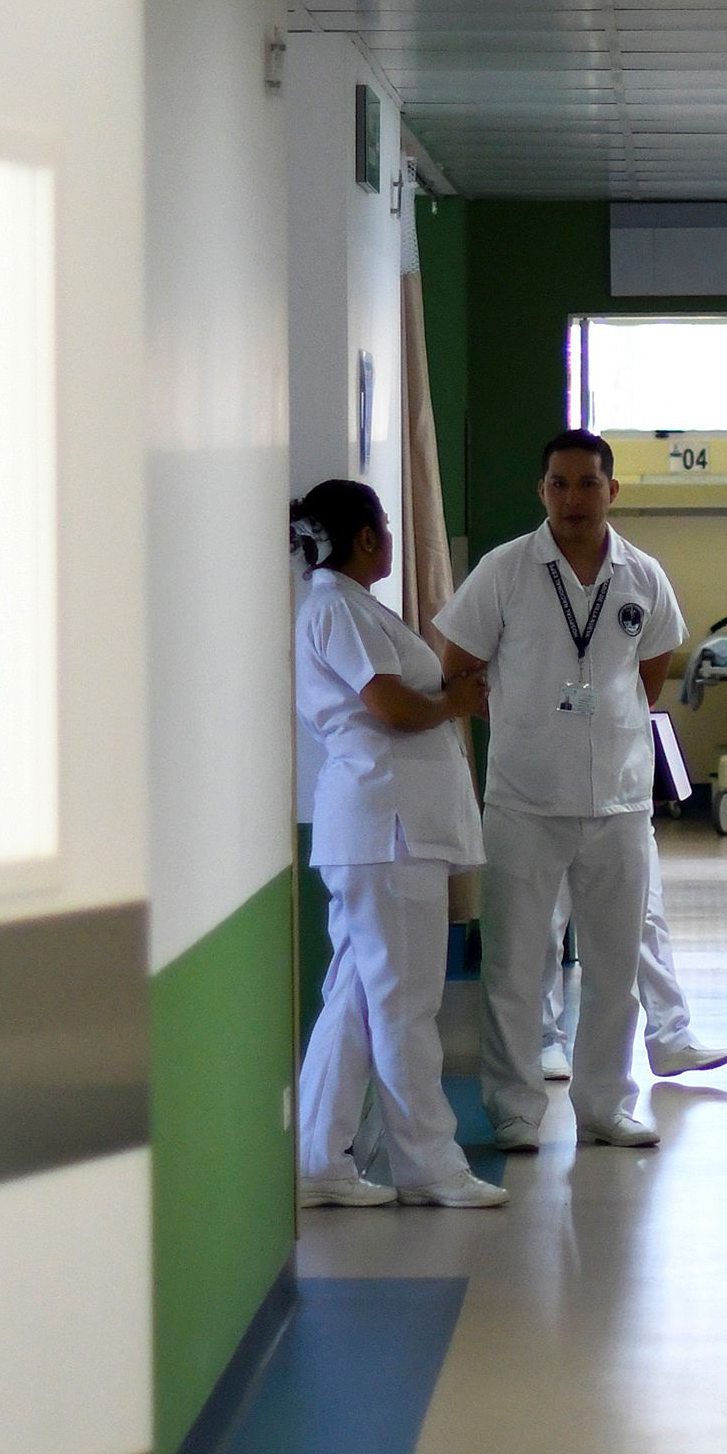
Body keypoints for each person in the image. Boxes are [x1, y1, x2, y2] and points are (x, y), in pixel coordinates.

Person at [434, 430, 686, 1151]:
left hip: (620, 803)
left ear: (612, 490)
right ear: (542, 491)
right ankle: (514, 1108)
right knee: (514, 965)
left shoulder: (642, 574)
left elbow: (652, 669)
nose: (573, 498)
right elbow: (458, 669)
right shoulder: (506, 570)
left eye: (587, 483)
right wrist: (523, 719)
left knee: (615, 968)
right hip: (523, 801)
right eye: (559, 484)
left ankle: (605, 1103)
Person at [287, 478, 509, 1210]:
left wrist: (446, 695)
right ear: (366, 538)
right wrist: (454, 702)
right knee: (405, 1002)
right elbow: (388, 705)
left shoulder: (346, 608)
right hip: (389, 833)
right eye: (382, 528)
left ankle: (319, 1158)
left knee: (357, 995)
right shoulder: (337, 610)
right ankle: (429, 1166)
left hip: (382, 832)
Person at [537, 838, 727, 1080]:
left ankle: (670, 1036)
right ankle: (543, 1040)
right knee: (547, 917)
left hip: (629, 806)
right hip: (548, 811)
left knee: (646, 914)